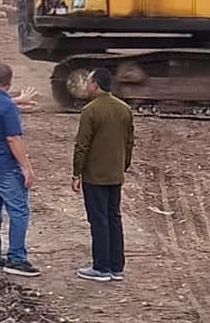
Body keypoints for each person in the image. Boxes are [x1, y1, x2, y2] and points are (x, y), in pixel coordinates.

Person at [0, 63, 40, 277]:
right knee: (19, 211)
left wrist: (15, 101)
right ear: (9, 82)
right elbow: (13, 138)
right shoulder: (7, 107)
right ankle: (16, 258)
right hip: (5, 167)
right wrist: (26, 167)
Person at [71, 68, 134, 282]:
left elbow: (82, 145)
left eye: (88, 82)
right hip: (115, 174)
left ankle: (101, 267)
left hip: (94, 175)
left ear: (96, 85)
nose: (87, 86)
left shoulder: (90, 111)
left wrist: (76, 172)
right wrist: (123, 165)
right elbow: (129, 142)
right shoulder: (124, 109)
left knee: (98, 220)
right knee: (114, 217)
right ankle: (117, 266)